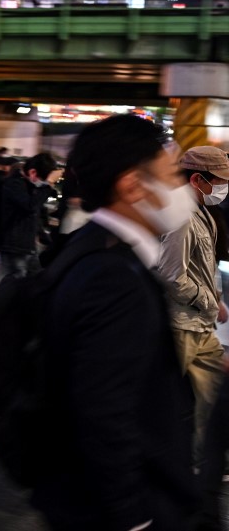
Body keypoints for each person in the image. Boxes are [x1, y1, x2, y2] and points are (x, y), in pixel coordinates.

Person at [29, 115, 197, 530]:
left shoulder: (86, 249)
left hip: (77, 494)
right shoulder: (114, 276)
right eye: (172, 175)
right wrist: (134, 518)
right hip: (110, 509)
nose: (183, 188)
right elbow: (103, 408)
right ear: (132, 185)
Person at [155, 146, 229, 462]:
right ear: (198, 179)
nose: (225, 189)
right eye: (222, 181)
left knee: (212, 393)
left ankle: (206, 457)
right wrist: (209, 301)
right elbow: (171, 276)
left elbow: (203, 265)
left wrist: (216, 300)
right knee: (160, 397)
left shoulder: (201, 211)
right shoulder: (180, 214)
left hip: (197, 322)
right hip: (180, 323)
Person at [0, 153, 58, 307]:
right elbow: (30, 207)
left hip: (24, 245)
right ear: (33, 173)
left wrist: (44, 237)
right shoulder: (14, 184)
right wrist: (48, 184)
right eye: (42, 179)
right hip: (15, 245)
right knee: (18, 285)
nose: (42, 184)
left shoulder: (25, 185)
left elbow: (34, 215)